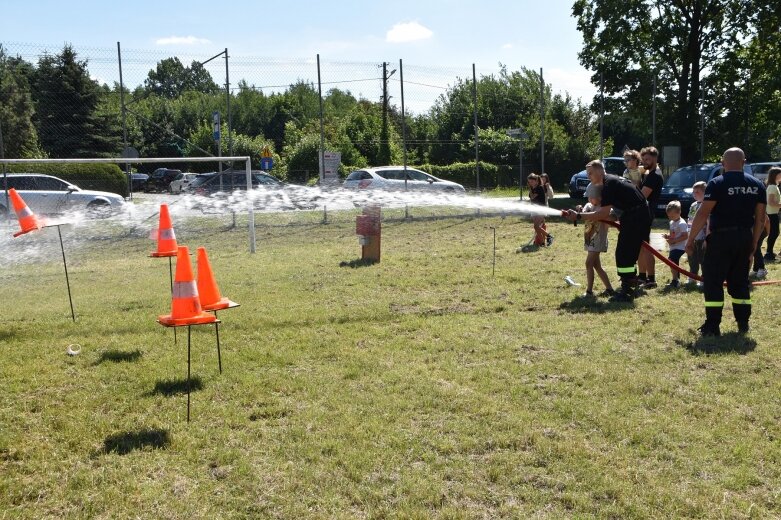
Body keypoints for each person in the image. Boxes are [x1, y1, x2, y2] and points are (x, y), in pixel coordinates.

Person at [685, 147, 766, 336]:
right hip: (744, 237)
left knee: (713, 281)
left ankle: (713, 325)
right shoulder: (757, 185)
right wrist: (754, 243)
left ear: (723, 163)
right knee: (740, 282)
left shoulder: (717, 183)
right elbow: (761, 219)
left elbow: (703, 212)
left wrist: (690, 239)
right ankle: (743, 323)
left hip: (721, 238)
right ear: (744, 162)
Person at [563, 160, 652, 302]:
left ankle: (627, 291)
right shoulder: (611, 181)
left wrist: (579, 216)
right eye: (587, 174)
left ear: (599, 171)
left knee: (624, 254)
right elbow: (611, 212)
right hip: (634, 215)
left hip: (636, 216)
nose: (588, 176)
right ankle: (629, 286)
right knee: (624, 253)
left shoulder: (609, 185)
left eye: (590, 173)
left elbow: (603, 213)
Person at [580, 183, 614, 297]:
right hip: (590, 240)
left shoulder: (605, 209)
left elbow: (612, 217)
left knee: (588, 263)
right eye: (588, 197)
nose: (589, 199)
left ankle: (589, 291)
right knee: (596, 265)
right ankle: (609, 289)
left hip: (598, 241)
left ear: (600, 197)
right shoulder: (589, 206)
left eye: (591, 197)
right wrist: (579, 211)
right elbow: (583, 213)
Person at [637, 146, 664, 288]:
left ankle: (651, 279)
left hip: (646, 213)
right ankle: (642, 277)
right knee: (641, 246)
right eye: (643, 159)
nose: (645, 162)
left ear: (655, 158)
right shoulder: (648, 173)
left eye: (647, 159)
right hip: (642, 213)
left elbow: (642, 196)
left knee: (646, 247)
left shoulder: (654, 176)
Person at [686, 181, 708, 285]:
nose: (694, 194)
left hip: (702, 237)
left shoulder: (707, 205)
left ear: (705, 192)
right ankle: (692, 276)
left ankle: (704, 278)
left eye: (697, 192)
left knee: (703, 259)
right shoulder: (693, 205)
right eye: (693, 192)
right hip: (692, 237)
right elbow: (690, 220)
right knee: (692, 258)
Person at [663, 200, 688, 288]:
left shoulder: (682, 224)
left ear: (679, 212)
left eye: (672, 215)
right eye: (669, 215)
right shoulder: (672, 222)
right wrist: (668, 236)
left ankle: (675, 280)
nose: (671, 217)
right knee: (673, 262)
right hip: (674, 246)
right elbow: (672, 234)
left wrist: (675, 241)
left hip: (680, 247)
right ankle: (676, 279)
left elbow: (685, 236)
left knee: (672, 260)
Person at [526, 173, 554, 247]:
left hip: (541, 210)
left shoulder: (539, 188)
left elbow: (532, 197)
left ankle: (549, 236)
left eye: (531, 182)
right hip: (535, 210)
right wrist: (530, 188)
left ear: (536, 181)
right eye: (529, 182)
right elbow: (531, 197)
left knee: (537, 226)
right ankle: (542, 243)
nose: (530, 183)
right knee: (536, 227)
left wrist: (529, 188)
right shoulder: (533, 188)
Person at [763, 166, 781, 262]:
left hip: (772, 213)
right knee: (774, 233)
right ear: (776, 175)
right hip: (771, 214)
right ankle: (768, 254)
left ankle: (769, 252)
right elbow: (771, 202)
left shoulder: (773, 186)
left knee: (774, 233)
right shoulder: (773, 187)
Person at [750, 215, 770, 279]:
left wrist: (766, 233)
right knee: (754, 249)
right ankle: (756, 269)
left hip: (760, 231)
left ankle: (762, 269)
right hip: (754, 231)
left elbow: (766, 220)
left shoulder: (758, 209)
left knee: (756, 249)